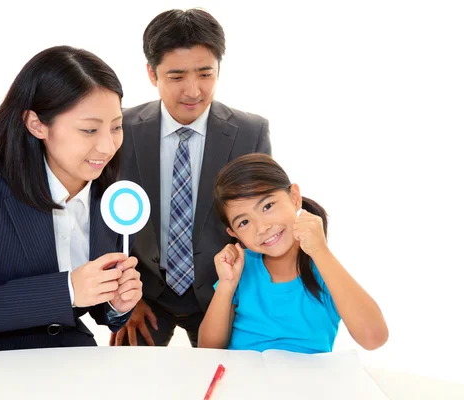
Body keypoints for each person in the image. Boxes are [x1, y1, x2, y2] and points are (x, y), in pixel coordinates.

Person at [0, 46, 143, 356]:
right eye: (89, 129)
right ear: (36, 123)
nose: (107, 146)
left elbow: (99, 312)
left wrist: (116, 303)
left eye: (116, 126)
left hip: (69, 358)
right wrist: (67, 290)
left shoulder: (115, 200)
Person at [114, 8, 272, 347]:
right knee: (126, 382)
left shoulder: (250, 133)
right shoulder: (119, 129)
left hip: (222, 292)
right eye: (176, 76)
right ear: (151, 74)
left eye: (205, 74)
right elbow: (100, 219)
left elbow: (262, 222)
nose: (193, 91)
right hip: (145, 295)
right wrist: (125, 298)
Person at [198, 153, 388, 353]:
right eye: (244, 222)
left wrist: (320, 251)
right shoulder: (240, 269)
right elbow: (208, 349)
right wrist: (226, 285)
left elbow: (374, 338)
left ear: (294, 198)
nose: (262, 227)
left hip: (307, 382)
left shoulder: (325, 269)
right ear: (234, 233)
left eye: (267, 206)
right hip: (244, 380)